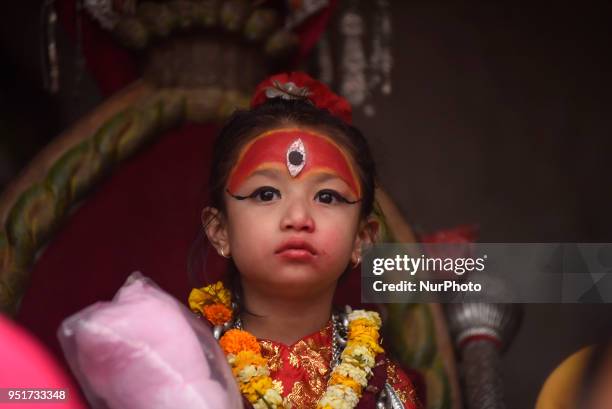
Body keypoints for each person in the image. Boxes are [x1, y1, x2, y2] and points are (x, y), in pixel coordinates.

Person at [188, 72, 421, 409]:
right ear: (219, 229)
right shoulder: (184, 360)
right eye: (266, 193)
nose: (298, 218)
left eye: (327, 197)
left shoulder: (387, 389)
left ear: (362, 238)